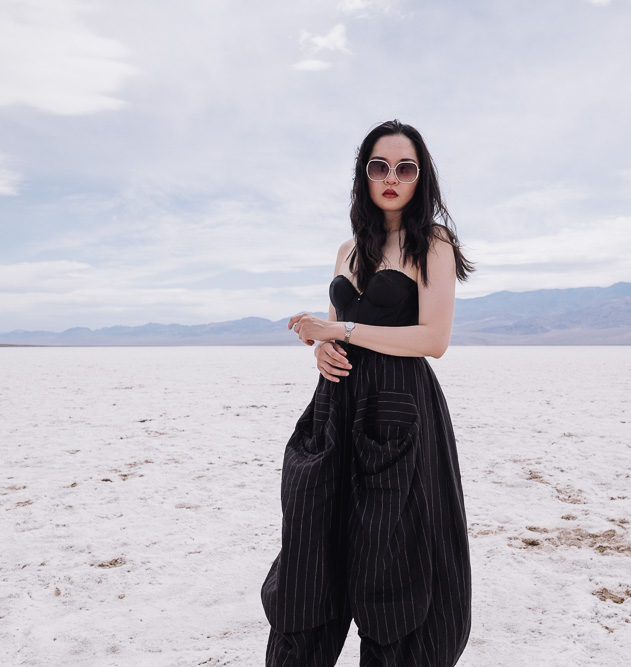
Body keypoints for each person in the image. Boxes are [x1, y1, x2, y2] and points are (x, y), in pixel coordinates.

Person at [261, 120, 474, 666]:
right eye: (379, 166)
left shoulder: (434, 243)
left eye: (405, 168)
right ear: (364, 174)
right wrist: (321, 347)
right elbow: (338, 325)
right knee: (313, 552)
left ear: (419, 177)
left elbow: (435, 339)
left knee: (391, 560)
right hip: (336, 406)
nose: (391, 178)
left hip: (397, 408)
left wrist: (343, 333)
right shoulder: (347, 249)